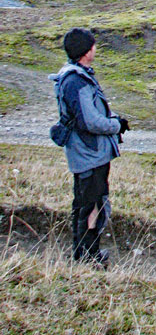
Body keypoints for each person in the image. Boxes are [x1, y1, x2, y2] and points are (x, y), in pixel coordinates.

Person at [49, 28, 129, 267]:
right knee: (92, 205)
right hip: (90, 154)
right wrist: (116, 125)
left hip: (86, 152)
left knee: (85, 203)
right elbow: (90, 121)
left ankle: (82, 253)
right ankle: (88, 257)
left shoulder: (74, 76)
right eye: (93, 45)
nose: (96, 48)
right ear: (86, 51)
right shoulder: (77, 81)